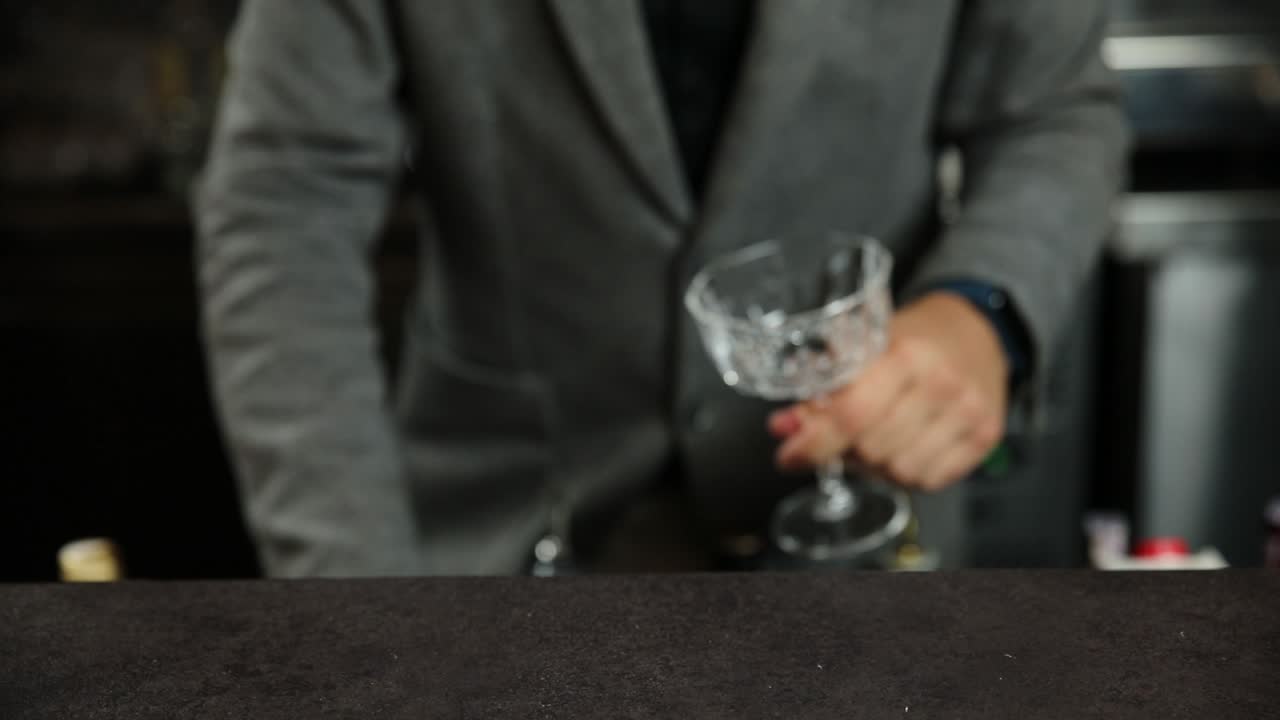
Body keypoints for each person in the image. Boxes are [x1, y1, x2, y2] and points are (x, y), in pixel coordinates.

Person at [195, 0, 1128, 577]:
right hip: (501, 541)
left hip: (863, 537)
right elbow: (286, 196)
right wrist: (353, 594)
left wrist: (981, 309)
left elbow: (1051, 113)